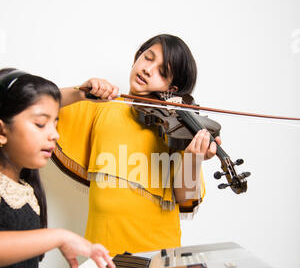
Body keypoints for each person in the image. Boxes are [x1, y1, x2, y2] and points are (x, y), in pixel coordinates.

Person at [55, 34, 221, 256]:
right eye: (147, 58)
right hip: (102, 251)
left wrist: (193, 159)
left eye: (163, 72)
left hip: (159, 254)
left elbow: (186, 198)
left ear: (172, 89)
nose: (148, 70)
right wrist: (79, 93)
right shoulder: (102, 105)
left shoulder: (175, 128)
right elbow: (38, 103)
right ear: (137, 58)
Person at [0, 69, 115, 268]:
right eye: (41, 124)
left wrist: (80, 94)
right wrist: (58, 236)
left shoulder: (25, 189)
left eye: (56, 123)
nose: (54, 134)